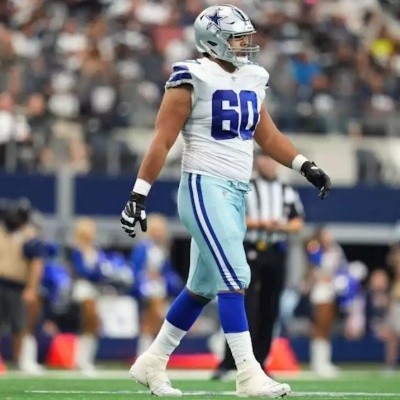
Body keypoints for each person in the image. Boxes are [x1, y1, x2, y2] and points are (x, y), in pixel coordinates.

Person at [120, 4, 331, 398]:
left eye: (246, 36)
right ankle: (248, 375)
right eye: (238, 37)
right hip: (203, 185)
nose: (246, 44)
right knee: (236, 277)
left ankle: (152, 362)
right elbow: (162, 141)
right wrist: (139, 193)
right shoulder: (192, 77)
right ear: (213, 40)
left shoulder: (252, 77)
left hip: (236, 191)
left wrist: (305, 165)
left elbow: (266, 136)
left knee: (201, 286)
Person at [213, 151, 305, 380]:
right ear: (257, 162)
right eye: (264, 159)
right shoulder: (246, 186)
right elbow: (232, 217)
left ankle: (260, 362)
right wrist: (261, 223)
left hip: (275, 252)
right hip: (249, 249)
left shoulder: (286, 189)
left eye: (272, 159)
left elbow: (297, 223)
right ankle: (229, 362)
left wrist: (279, 227)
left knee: (270, 309)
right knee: (244, 306)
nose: (269, 163)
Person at [0, 198, 44, 374]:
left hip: (17, 284)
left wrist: (32, 288)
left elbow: (36, 264)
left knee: (20, 325)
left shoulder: (29, 236)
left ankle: (22, 360)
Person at [131, 214, 183, 357]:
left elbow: (166, 270)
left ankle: (150, 353)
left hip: (159, 286)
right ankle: (145, 353)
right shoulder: (142, 247)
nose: (158, 232)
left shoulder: (163, 248)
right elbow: (135, 269)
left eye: (160, 229)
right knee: (152, 318)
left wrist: (165, 279)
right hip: (146, 287)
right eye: (155, 229)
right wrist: (145, 277)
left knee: (154, 322)